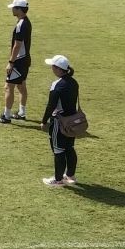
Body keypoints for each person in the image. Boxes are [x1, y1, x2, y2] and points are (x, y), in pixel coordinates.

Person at [40, 54, 80, 186]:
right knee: (69, 148)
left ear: (58, 69)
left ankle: (58, 180)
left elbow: (51, 105)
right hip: (72, 122)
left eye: (53, 66)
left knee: (58, 150)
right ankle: (70, 176)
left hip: (59, 122)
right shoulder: (74, 83)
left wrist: (44, 121)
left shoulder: (57, 85)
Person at [0, 0, 32, 124]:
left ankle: (6, 116)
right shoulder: (27, 22)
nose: (12, 10)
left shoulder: (21, 25)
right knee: (21, 86)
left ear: (19, 9)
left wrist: (11, 62)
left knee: (8, 87)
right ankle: (21, 112)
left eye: (14, 8)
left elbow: (17, 45)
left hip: (19, 61)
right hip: (25, 60)